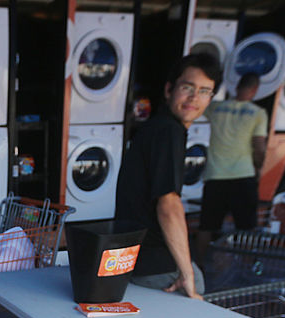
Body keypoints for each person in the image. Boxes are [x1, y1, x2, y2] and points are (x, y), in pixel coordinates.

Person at [114, 53, 221, 299]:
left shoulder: (155, 128)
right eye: (187, 88)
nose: (195, 98)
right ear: (169, 90)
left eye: (205, 91)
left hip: (134, 258)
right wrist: (187, 273)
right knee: (194, 296)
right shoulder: (169, 132)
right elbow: (169, 204)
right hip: (157, 266)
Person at [195, 72, 268, 264]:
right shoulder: (258, 113)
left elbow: (199, 108)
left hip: (215, 176)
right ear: (255, 90)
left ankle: (200, 266)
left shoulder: (217, 108)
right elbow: (259, 147)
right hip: (243, 176)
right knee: (246, 227)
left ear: (237, 87)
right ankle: (245, 267)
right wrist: (258, 168)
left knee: (207, 226)